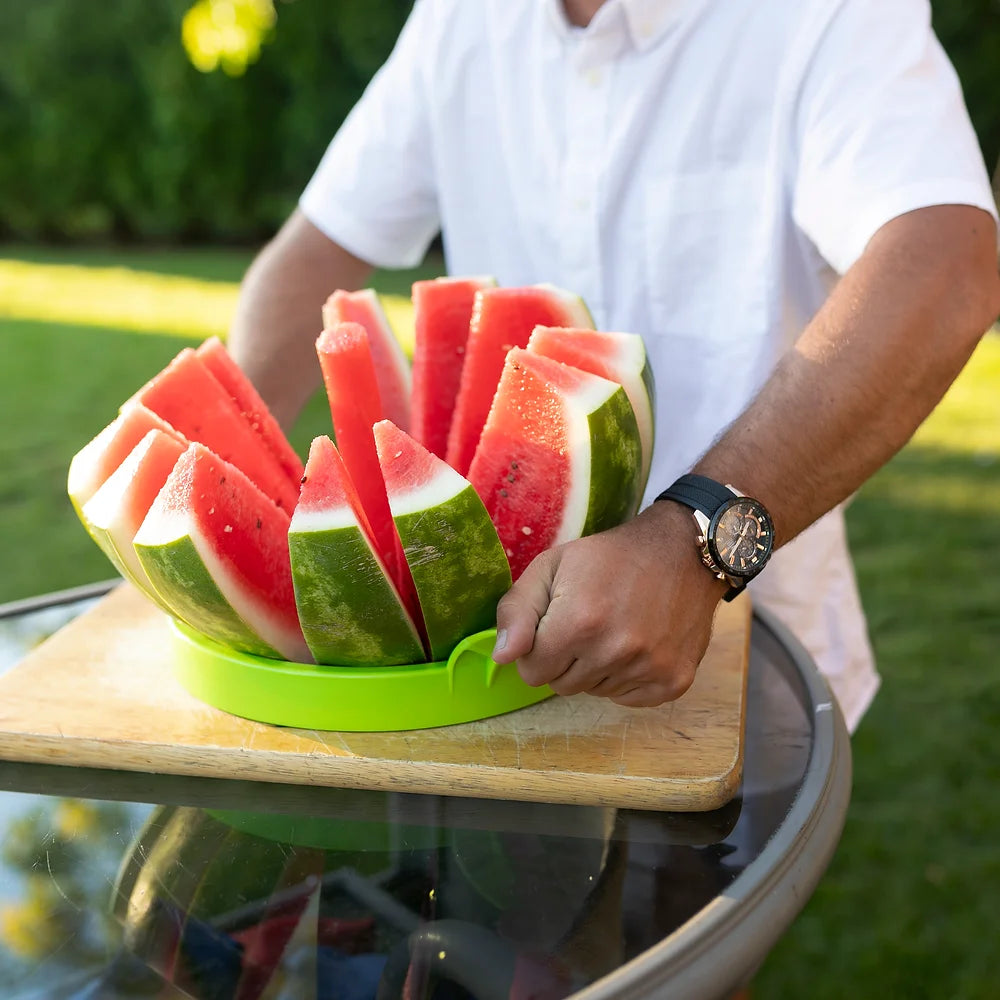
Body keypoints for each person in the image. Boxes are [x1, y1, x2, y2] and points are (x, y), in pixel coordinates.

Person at [229, 0, 1000, 732]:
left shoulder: (824, 14)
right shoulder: (461, 19)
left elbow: (946, 263)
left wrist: (691, 545)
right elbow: (316, 250)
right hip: (480, 652)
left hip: (742, 645)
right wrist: (224, 486)